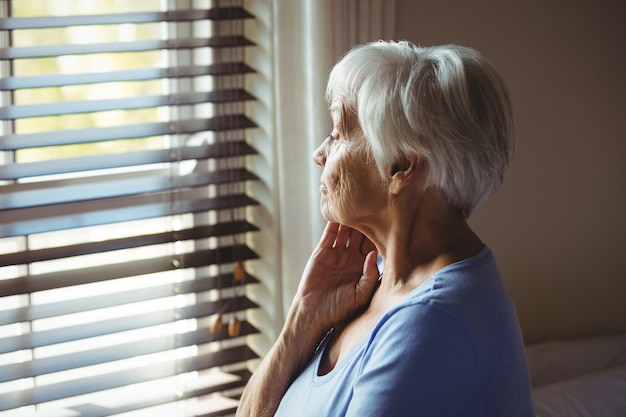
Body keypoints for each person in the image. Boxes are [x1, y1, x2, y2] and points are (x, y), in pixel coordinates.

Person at [236, 40, 535, 417]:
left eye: (340, 130)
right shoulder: (373, 282)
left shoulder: (432, 324)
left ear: (400, 166)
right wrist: (303, 318)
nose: (320, 153)